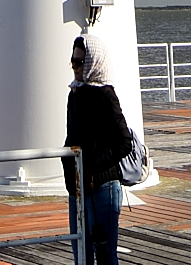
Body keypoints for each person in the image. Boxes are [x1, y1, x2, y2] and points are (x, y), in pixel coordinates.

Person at [62, 34, 132, 265]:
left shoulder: (105, 95)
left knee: (105, 255)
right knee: (81, 255)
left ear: (93, 62)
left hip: (103, 187)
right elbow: (72, 138)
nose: (74, 66)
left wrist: (90, 167)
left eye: (80, 61)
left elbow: (124, 141)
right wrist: (69, 170)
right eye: (73, 60)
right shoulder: (74, 94)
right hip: (78, 188)